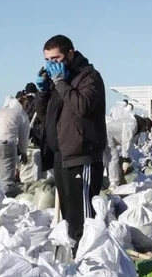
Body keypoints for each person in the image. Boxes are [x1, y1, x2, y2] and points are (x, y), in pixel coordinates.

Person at [34, 35, 106, 246]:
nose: (52, 64)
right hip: (60, 154)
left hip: (81, 154)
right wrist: (43, 92)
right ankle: (75, 252)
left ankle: (88, 254)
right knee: (68, 214)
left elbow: (82, 106)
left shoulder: (89, 77)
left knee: (82, 217)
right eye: (48, 60)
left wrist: (61, 83)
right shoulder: (59, 80)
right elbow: (43, 113)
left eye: (56, 59)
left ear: (70, 54)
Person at [0, 94, 30, 196]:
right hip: (4, 143)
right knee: (6, 181)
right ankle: (6, 203)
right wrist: (24, 152)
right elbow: (24, 137)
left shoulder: (0, 110)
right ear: (25, 106)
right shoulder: (21, 114)